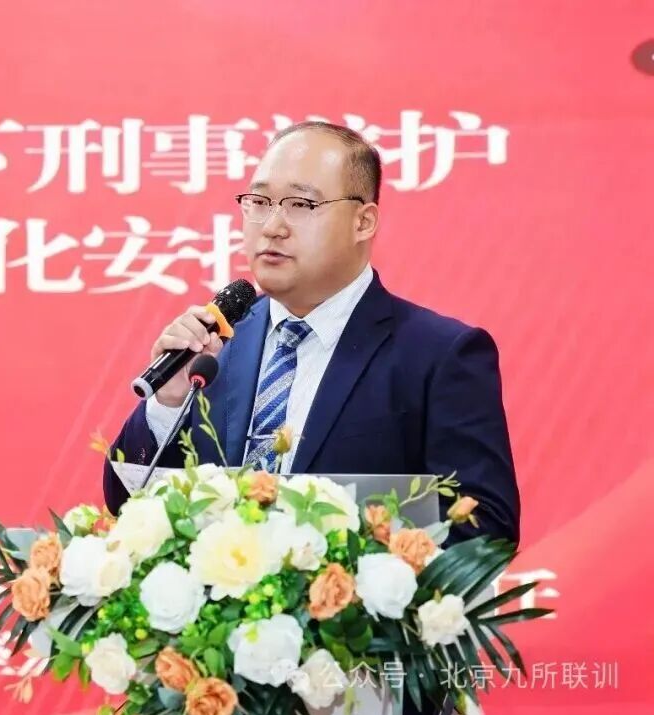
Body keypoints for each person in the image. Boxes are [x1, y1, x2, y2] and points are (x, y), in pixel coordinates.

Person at [102, 120, 519, 547]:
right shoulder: (212, 349)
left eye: (300, 204)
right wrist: (167, 403)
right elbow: (126, 507)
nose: (272, 226)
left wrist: (339, 560)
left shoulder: (439, 355)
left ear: (364, 222)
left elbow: (486, 526)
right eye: (259, 201)